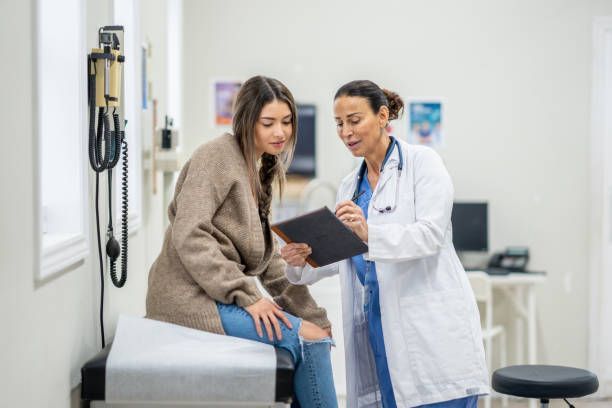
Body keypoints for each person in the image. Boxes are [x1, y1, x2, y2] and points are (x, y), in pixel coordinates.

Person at [281, 80, 488, 408]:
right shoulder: (350, 186)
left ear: (382, 116)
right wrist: (302, 259)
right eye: (339, 123)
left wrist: (368, 233)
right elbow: (345, 255)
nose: (346, 131)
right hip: (379, 329)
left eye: (354, 120)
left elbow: (431, 235)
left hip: (430, 330)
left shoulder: (423, 163)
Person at [146, 75, 337, 407]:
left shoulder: (258, 168)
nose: (280, 132)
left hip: (218, 295)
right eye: (268, 123)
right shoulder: (216, 157)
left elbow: (270, 265)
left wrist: (312, 313)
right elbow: (190, 233)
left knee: (316, 333)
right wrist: (248, 297)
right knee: (309, 342)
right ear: (247, 122)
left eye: (287, 121)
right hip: (188, 299)